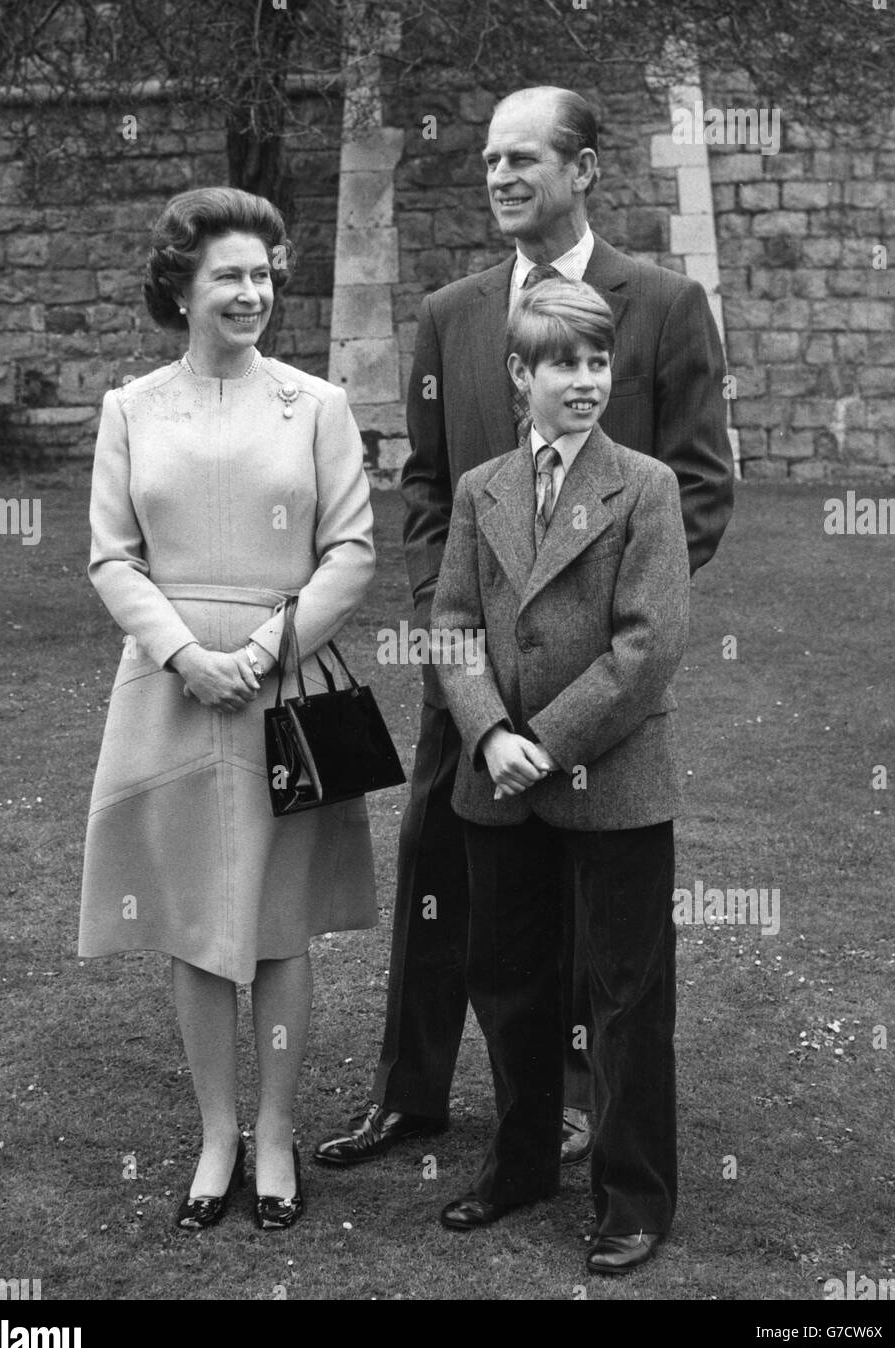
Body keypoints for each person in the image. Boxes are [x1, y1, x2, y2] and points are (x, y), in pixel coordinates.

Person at [315, 84, 732, 1170]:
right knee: (437, 876)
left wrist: (605, 644)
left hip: (598, 686)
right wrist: (453, 645)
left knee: (591, 908)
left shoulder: (665, 305)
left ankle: (572, 1099)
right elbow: (426, 492)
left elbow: (698, 489)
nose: (498, 176)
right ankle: (409, 1093)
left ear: (585, 167)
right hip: (469, 682)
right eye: (490, 160)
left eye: (523, 159)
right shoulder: (452, 315)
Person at [78, 187, 377, 1232]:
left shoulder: (316, 405)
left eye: (263, 273)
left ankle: (280, 1132)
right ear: (181, 286)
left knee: (280, 925)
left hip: (279, 689)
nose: (252, 292)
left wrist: (257, 649)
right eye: (229, 277)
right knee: (191, 918)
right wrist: (181, 654)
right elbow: (111, 554)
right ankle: (216, 1133)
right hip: (166, 692)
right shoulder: (130, 409)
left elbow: (351, 552)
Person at [432, 277, 689, 1274]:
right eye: (562, 364)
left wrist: (549, 734)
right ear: (519, 374)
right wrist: (492, 734)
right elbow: (451, 624)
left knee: (624, 995)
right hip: (500, 781)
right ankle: (522, 1162)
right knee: (509, 982)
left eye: (597, 361)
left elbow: (649, 641)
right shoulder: (481, 488)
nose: (585, 381)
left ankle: (634, 1196)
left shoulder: (647, 487)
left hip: (612, 779)